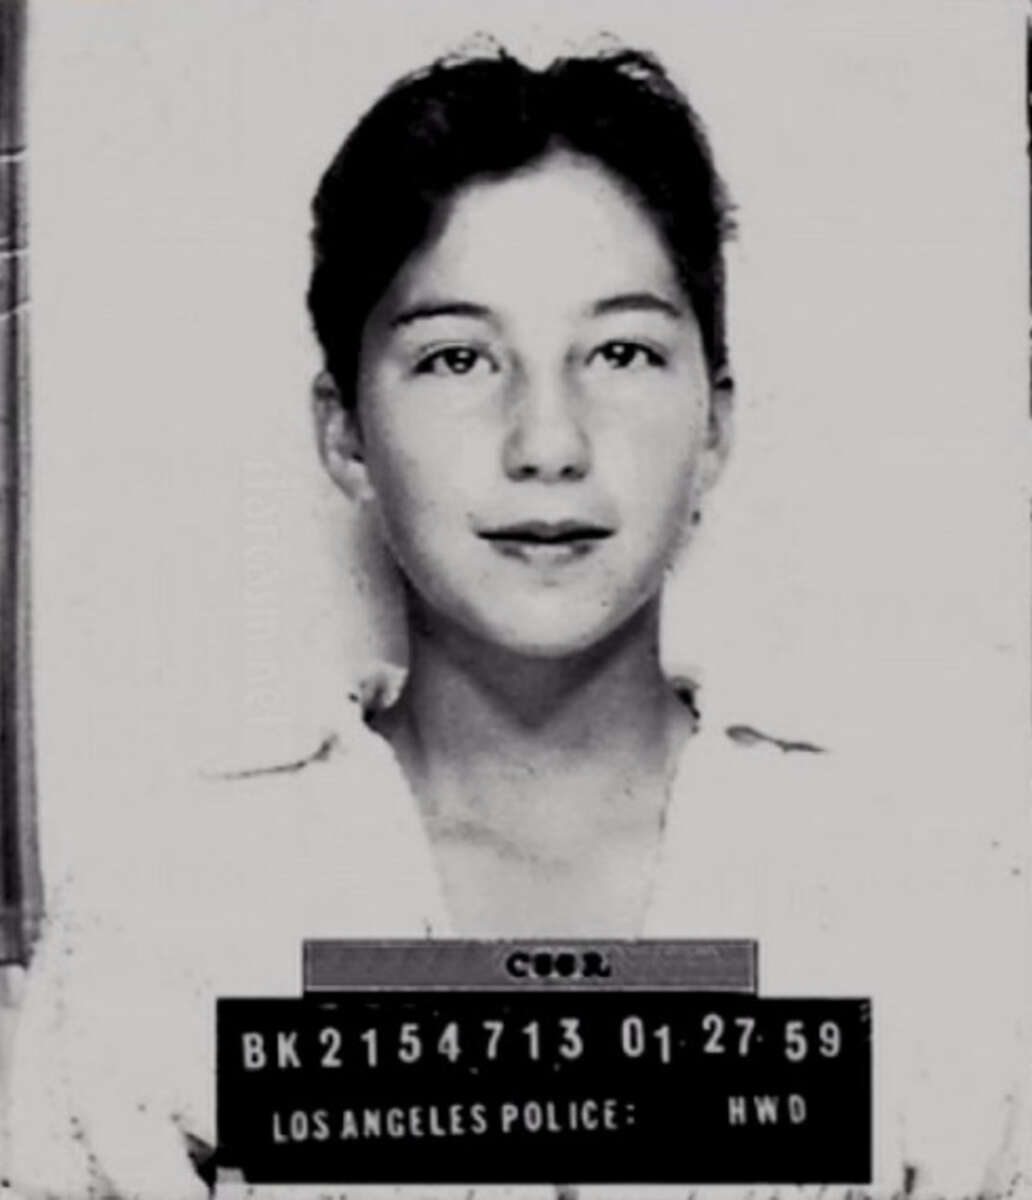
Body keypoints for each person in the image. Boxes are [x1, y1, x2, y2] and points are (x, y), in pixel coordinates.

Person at [6, 43, 1024, 1200]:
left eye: (623, 352)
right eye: (455, 358)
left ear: (715, 423)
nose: (548, 442)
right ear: (344, 430)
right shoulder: (173, 918)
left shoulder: (920, 908)